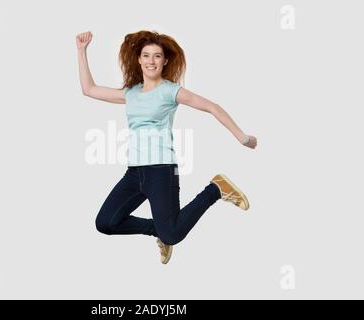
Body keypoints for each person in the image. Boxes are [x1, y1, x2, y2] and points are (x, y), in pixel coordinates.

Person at [76, 30, 258, 264]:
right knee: (106, 222)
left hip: (162, 171)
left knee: (172, 233)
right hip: (134, 173)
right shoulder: (130, 93)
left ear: (165, 61)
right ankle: (158, 232)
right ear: (139, 60)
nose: (151, 61)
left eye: (157, 56)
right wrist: (82, 51)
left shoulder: (171, 91)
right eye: (146, 55)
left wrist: (241, 137)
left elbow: (212, 106)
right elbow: (89, 89)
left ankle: (215, 189)